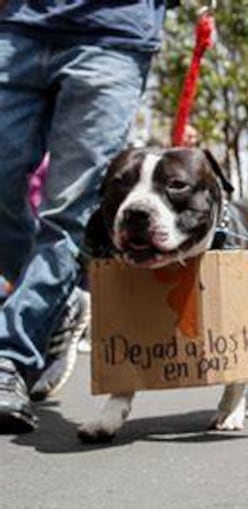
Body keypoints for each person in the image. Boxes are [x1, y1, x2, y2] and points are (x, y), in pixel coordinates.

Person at [0, 1, 171, 432]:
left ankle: (9, 355)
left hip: (114, 35)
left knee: (69, 212)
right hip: (17, 24)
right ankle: (58, 304)